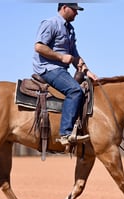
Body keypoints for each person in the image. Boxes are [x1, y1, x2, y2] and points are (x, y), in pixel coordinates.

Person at [33, 3, 98, 146]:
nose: (77, 13)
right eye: (74, 10)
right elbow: (39, 47)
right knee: (75, 90)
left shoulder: (70, 30)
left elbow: (75, 55)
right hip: (47, 68)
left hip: (61, 70)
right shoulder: (51, 23)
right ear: (64, 8)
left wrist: (88, 71)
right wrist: (61, 57)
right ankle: (66, 134)